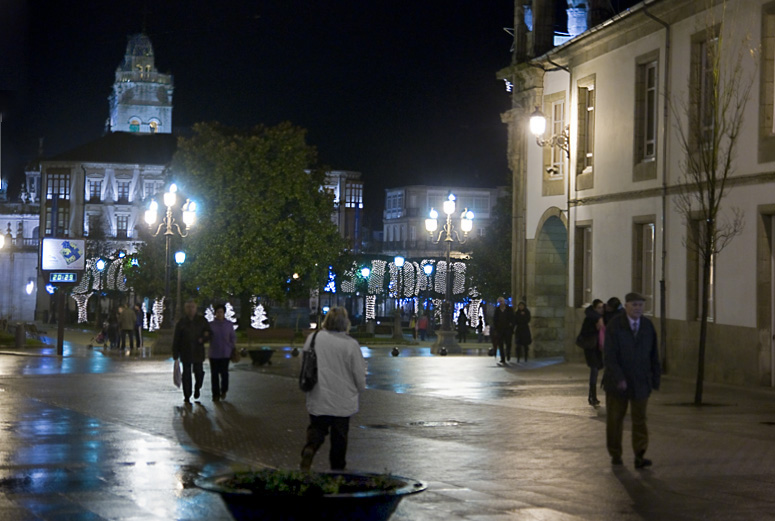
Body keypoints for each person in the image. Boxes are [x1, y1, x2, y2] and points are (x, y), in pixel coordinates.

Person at [300, 307, 367, 472]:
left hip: (318, 394)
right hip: (342, 400)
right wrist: (361, 387)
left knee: (317, 428)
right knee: (340, 438)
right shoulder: (350, 345)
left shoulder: (313, 338)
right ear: (345, 323)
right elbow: (358, 372)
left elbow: (304, 361)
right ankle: (337, 471)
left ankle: (311, 448)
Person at [602, 292, 661, 469]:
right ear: (626, 306)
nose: (637, 308)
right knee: (615, 419)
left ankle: (640, 454)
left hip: (641, 381)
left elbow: (653, 354)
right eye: (634, 305)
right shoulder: (615, 325)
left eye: (640, 305)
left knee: (640, 419)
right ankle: (615, 454)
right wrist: (619, 377)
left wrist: (655, 379)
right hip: (617, 383)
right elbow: (609, 355)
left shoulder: (647, 326)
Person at [172, 300, 211, 404]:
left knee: (199, 372)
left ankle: (198, 387)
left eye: (192, 307)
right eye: (188, 307)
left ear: (196, 308)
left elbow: (209, 333)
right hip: (185, 351)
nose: (190, 309)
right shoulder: (181, 322)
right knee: (186, 374)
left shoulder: (201, 321)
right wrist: (175, 353)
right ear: (185, 309)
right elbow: (176, 338)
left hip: (198, 351)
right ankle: (187, 395)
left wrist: (203, 339)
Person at [578, 299, 605, 406]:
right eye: (599, 307)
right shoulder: (590, 319)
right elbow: (585, 333)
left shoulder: (601, 318)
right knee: (594, 370)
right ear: (594, 308)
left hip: (598, 348)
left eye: (602, 307)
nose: (601, 309)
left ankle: (592, 395)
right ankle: (592, 396)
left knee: (597, 369)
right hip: (591, 348)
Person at [208, 303, 236, 401]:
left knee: (224, 373)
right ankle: (215, 394)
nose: (219, 314)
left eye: (221, 312)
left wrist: (231, 346)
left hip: (225, 353)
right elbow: (207, 337)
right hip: (214, 353)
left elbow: (233, 337)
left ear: (224, 313)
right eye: (217, 312)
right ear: (215, 313)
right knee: (214, 374)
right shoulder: (211, 325)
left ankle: (224, 390)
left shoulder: (228, 324)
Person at [493, 297, 515, 365]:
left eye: (501, 301)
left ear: (504, 302)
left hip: (508, 329)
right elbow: (495, 320)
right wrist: (496, 328)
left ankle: (508, 354)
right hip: (500, 330)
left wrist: (511, 326)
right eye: (499, 302)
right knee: (500, 344)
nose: (500, 303)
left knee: (508, 343)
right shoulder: (497, 310)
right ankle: (503, 358)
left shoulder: (509, 309)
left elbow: (513, 319)